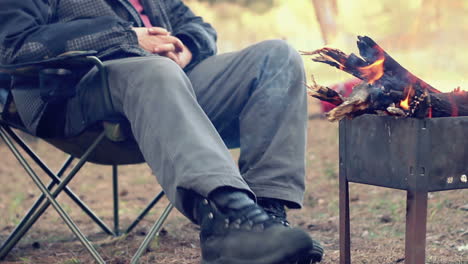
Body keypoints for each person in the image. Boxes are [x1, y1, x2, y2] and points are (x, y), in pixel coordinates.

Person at [0, 0, 324, 263]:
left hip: (168, 93)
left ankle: (264, 218)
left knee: (276, 56)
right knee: (154, 70)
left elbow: (196, 25)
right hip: (77, 99)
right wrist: (127, 38)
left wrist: (187, 49)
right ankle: (226, 219)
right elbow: (13, 44)